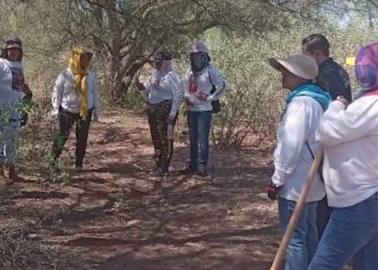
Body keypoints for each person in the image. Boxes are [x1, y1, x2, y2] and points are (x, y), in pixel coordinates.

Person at [308, 42, 378, 270]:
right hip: (366, 197)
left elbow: (326, 131)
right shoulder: (368, 103)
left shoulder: (372, 105)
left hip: (359, 202)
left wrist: (336, 106)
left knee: (323, 264)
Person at [268, 54, 331, 270]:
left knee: (294, 240)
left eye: (287, 72)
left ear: (300, 76)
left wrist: (277, 179)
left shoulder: (300, 104)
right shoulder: (319, 99)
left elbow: (291, 147)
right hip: (313, 182)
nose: (283, 75)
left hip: (296, 183)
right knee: (309, 232)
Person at [302, 33, 352, 239]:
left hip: (327, 141)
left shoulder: (326, 75)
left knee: (323, 196)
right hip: (337, 139)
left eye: (306, 56)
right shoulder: (338, 70)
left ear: (318, 54)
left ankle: (323, 241)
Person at [135, 50, 184, 176]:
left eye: (160, 61)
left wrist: (173, 113)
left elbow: (178, 96)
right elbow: (148, 88)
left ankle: (164, 167)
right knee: (155, 136)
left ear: (166, 62)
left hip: (166, 110)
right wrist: (140, 85)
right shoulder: (155, 73)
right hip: (153, 109)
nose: (157, 63)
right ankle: (158, 163)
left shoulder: (173, 77)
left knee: (166, 138)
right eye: (156, 61)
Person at [51, 47, 99, 170]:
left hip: (85, 112)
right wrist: (55, 111)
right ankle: (53, 162)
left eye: (87, 58)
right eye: (82, 58)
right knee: (61, 136)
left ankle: (79, 163)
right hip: (67, 111)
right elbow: (57, 93)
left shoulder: (90, 75)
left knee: (82, 138)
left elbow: (93, 93)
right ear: (76, 59)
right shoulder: (65, 74)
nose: (85, 61)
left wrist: (96, 110)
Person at [184, 41, 226, 176]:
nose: (195, 57)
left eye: (198, 54)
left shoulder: (210, 70)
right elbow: (185, 87)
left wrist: (209, 97)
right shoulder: (189, 71)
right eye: (193, 54)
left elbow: (223, 86)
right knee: (192, 138)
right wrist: (187, 97)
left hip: (204, 110)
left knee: (202, 139)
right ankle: (193, 165)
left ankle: (202, 166)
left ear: (204, 55)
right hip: (191, 109)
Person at [0, 36, 32, 180]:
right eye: (10, 49)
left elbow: (19, 86)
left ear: (20, 52)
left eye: (16, 50)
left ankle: (11, 169)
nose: (13, 52)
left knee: (11, 139)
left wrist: (27, 93)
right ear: (5, 51)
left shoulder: (19, 66)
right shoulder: (1, 63)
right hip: (2, 108)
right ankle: (2, 171)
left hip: (15, 108)